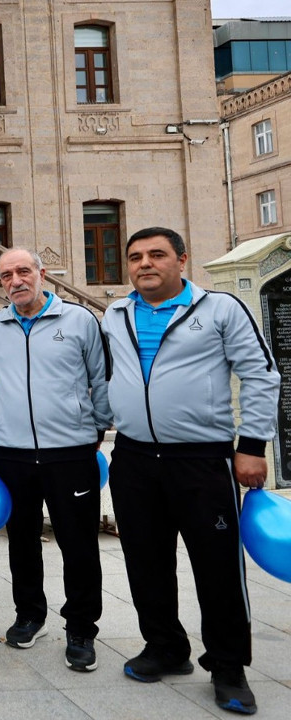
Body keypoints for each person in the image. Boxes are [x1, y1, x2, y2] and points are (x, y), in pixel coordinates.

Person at [103, 227, 277, 715]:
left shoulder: (219, 310)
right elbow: (107, 376)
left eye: (157, 255)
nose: (144, 264)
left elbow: (261, 374)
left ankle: (228, 667)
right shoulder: (116, 315)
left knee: (217, 567)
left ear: (183, 259)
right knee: (144, 560)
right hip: (135, 458)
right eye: (135, 257)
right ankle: (165, 647)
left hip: (202, 458)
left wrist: (252, 445)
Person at [0, 249, 110, 670]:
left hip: (70, 452)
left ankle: (82, 628)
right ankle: (29, 614)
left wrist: (97, 428)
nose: (15, 280)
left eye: (23, 271)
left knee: (79, 543)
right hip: (13, 453)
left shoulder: (80, 321)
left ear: (42, 274)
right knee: (22, 541)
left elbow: (100, 378)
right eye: (6, 275)